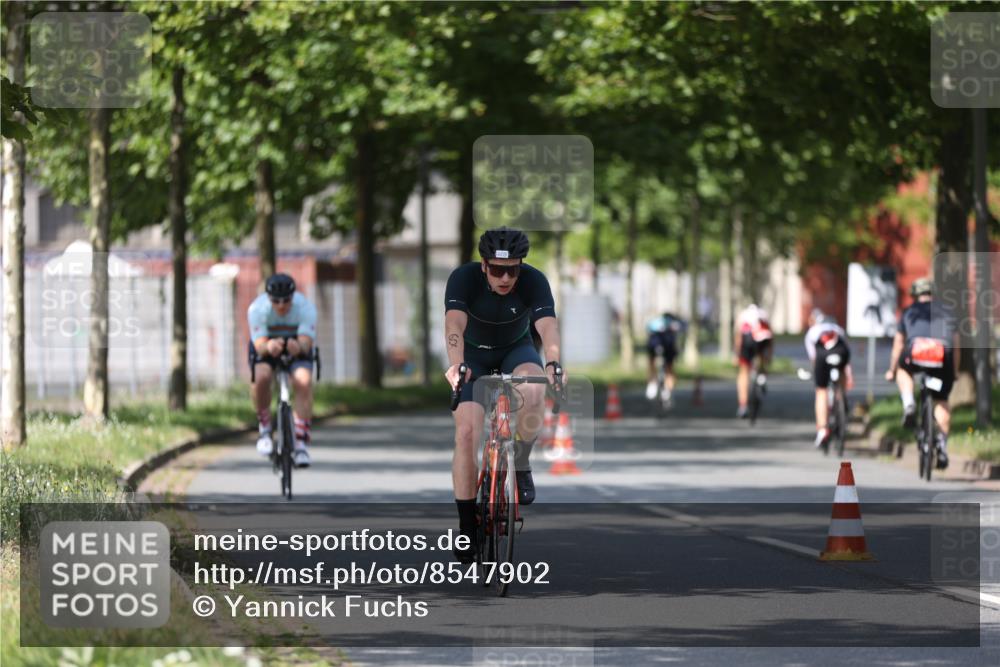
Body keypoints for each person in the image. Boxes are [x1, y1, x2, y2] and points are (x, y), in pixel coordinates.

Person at [444, 227, 564, 563]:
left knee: (535, 386)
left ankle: (521, 461)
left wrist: (553, 361)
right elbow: (454, 326)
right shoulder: (463, 278)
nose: (506, 277)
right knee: (466, 432)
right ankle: (467, 524)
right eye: (497, 270)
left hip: (516, 350)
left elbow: (548, 326)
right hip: (473, 357)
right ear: (483, 265)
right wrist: (457, 367)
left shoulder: (534, 280)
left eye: (513, 268)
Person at [884, 277, 960, 469]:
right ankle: (942, 445)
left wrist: (892, 369)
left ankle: (909, 403)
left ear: (915, 295)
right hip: (942, 354)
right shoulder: (949, 311)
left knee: (903, 369)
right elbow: (957, 345)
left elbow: (898, 344)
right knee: (941, 401)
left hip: (916, 351)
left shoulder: (909, 312)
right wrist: (955, 371)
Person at [247, 273, 317, 468]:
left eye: (286, 300)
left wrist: (300, 346)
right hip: (268, 347)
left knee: (303, 381)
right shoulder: (257, 309)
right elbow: (259, 344)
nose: (281, 305)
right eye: (275, 301)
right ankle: (265, 429)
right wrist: (269, 347)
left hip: (296, 347)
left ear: (293, 297)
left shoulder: (305, 309)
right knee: (261, 377)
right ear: (268, 298)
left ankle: (301, 443)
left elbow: (307, 341)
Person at [804, 308, 854, 448]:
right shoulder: (837, 329)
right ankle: (841, 398)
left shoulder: (812, 333)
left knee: (821, 390)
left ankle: (822, 429)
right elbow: (846, 355)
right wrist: (848, 375)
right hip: (840, 352)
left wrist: (818, 374)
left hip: (822, 355)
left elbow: (814, 358)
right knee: (841, 374)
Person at [735, 303, 773, 418]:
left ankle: (743, 405)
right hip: (763, 338)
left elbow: (738, 336)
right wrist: (769, 358)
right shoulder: (763, 314)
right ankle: (762, 375)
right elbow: (771, 338)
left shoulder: (743, 315)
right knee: (761, 356)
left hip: (747, 339)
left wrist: (737, 354)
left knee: (744, 372)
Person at [644, 312, 687, 405]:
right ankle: (653, 383)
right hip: (657, 347)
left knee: (668, 367)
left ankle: (666, 388)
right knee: (657, 364)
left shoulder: (674, 325)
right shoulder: (658, 324)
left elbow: (684, 327)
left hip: (667, 348)